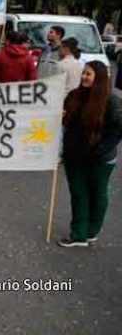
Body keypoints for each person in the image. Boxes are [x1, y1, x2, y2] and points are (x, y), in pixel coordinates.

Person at [60, 61, 122, 247]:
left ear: (100, 78)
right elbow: (65, 121)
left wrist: (99, 150)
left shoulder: (112, 102)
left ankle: (91, 232)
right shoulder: (73, 96)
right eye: (84, 73)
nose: (84, 77)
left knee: (97, 194)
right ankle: (78, 234)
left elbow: (117, 131)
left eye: (89, 74)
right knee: (78, 193)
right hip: (74, 156)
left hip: (100, 160)